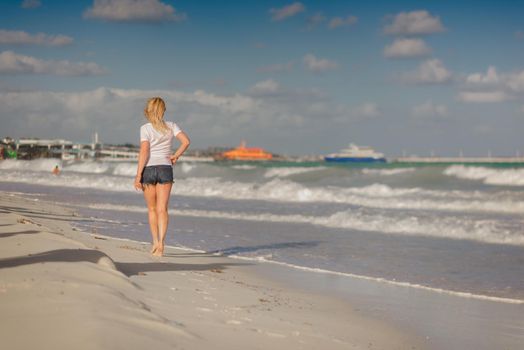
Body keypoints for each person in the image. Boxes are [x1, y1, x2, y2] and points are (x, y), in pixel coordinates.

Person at [134, 97, 190, 257]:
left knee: (152, 209)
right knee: (162, 209)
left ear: (149, 110)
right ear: (163, 110)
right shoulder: (171, 126)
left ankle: (155, 241)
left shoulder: (145, 128)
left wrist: (138, 175)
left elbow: (144, 151)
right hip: (166, 168)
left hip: (149, 169)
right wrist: (175, 156)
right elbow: (186, 141)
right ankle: (162, 244)